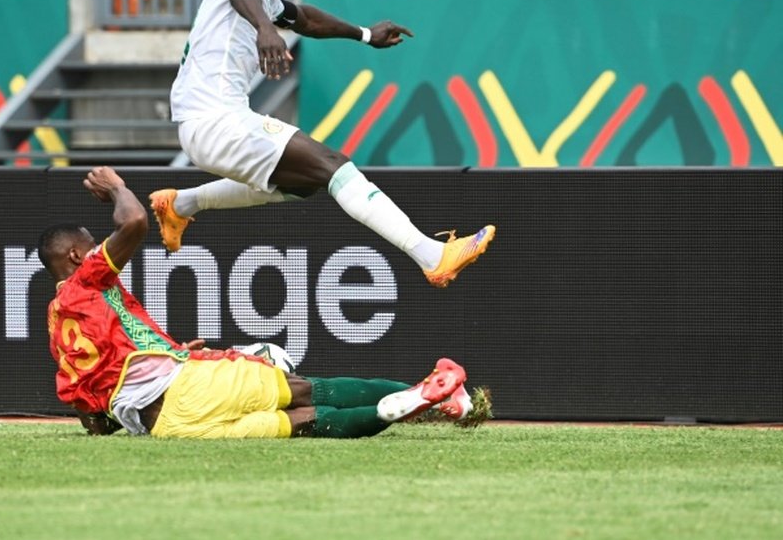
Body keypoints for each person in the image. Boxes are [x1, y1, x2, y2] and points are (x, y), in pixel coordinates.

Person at [149, 0, 494, 290]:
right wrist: (265, 29)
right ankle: (432, 256)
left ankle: (180, 205)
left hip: (208, 125)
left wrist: (364, 34)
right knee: (335, 166)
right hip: (214, 121)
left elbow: (306, 21)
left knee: (305, 182)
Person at [39, 166, 492, 438]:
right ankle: (429, 393)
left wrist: (170, 357)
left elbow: (97, 421)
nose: (101, 248)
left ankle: (426, 404)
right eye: (92, 244)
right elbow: (135, 221)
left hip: (171, 426)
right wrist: (116, 187)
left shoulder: (57, 321)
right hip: (186, 386)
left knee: (308, 424)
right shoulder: (87, 277)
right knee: (311, 391)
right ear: (77, 255)